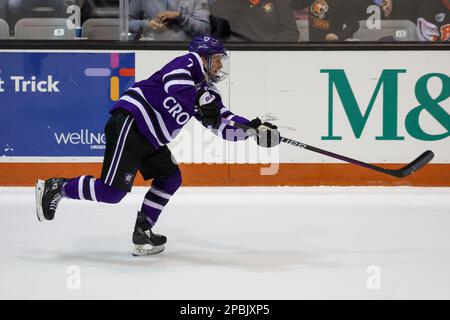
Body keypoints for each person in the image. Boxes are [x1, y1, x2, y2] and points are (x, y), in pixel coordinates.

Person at [35, 35, 280, 256]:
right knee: (111, 193)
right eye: (216, 60)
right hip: (132, 124)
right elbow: (175, 86)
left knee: (170, 177)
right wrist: (200, 103)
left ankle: (143, 230)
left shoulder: (209, 92)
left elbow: (222, 124)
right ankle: (57, 187)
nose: (219, 66)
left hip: (150, 139)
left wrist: (251, 130)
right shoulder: (188, 62)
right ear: (203, 57)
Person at [210, 0, 299, 42]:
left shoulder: (280, 2)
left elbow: (290, 33)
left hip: (271, 57)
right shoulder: (224, 3)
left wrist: (269, 51)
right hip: (236, 56)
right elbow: (216, 32)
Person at [128, 0, 211, 41]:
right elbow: (125, 23)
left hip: (184, 53)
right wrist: (146, 25)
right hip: (150, 52)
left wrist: (180, 17)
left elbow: (205, 30)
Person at [291, 0, 359, 42]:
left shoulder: (342, 2)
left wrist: (338, 36)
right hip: (314, 47)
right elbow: (294, 6)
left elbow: (354, 25)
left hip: (332, 48)